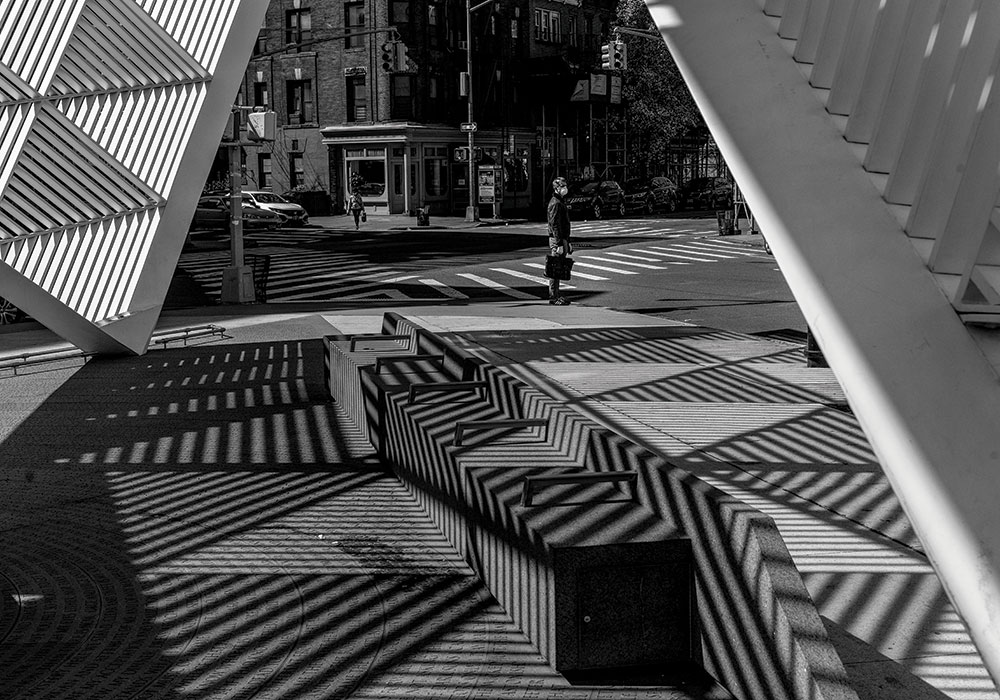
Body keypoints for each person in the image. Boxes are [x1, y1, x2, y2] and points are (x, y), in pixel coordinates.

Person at [545, 176, 572, 305]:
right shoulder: (555, 203)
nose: (565, 188)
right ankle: (553, 297)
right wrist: (560, 243)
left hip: (561, 239)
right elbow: (554, 224)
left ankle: (556, 295)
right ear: (556, 188)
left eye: (565, 186)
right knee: (555, 269)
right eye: (562, 186)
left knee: (559, 268)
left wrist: (567, 241)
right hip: (557, 240)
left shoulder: (559, 201)